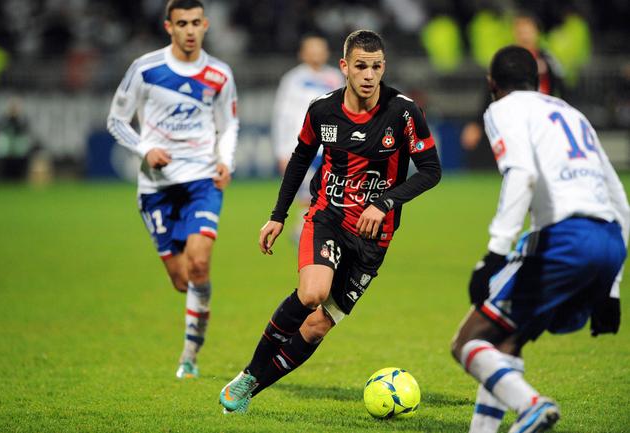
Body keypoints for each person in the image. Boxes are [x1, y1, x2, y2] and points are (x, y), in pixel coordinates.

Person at [219, 29, 441, 414]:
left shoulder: (404, 112)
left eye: (376, 67)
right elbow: (300, 160)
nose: (368, 75)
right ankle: (249, 374)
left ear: (383, 67)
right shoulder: (322, 110)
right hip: (329, 217)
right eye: (360, 66)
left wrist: (385, 202)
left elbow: (431, 170)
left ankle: (251, 389)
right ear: (344, 67)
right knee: (312, 294)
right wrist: (278, 216)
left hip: (374, 238)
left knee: (317, 326)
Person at [450, 45, 628, 433]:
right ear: (537, 79)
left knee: (467, 342)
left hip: (565, 240)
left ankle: (531, 405)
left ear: (492, 84)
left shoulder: (503, 109)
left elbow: (522, 174)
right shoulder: (571, 113)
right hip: (610, 241)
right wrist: (612, 289)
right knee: (507, 341)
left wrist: (494, 253)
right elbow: (620, 199)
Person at [107, 0, 239, 379]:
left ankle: (189, 356)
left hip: (202, 180)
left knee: (199, 264)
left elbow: (229, 124)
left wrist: (226, 160)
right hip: (157, 186)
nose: (190, 30)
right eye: (182, 23)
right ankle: (194, 327)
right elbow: (116, 121)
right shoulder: (146, 69)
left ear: (206, 24)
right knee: (182, 280)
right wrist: (145, 149)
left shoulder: (219, 73)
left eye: (196, 22)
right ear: (169, 27)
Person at [461, 12, 564, 169]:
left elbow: (561, 91)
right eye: (520, 31)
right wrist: (476, 123)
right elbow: (491, 92)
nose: (524, 35)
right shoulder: (505, 61)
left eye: (527, 30)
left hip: (542, 121)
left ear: (537, 32)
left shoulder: (549, 61)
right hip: (512, 121)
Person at [272, 35, 344, 241]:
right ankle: (306, 231)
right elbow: (282, 116)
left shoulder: (335, 77)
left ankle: (305, 231)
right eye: (311, 49)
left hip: (330, 145)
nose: (316, 53)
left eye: (320, 49)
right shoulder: (292, 80)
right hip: (302, 146)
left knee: (330, 193)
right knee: (308, 193)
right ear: (302, 53)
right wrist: (282, 152)